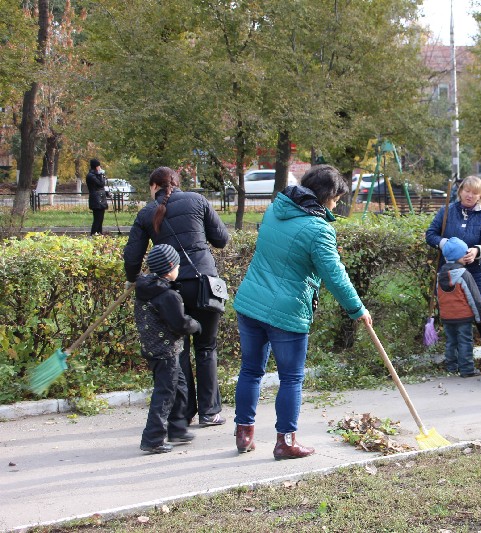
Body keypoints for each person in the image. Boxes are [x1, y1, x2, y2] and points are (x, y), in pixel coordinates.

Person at [232, 164, 372, 460]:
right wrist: (356, 308)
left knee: (251, 370)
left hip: (250, 303)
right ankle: (285, 442)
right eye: (336, 199)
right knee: (291, 378)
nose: (336, 205)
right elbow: (334, 274)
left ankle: (243, 434)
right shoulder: (318, 229)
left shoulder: (274, 209)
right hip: (287, 312)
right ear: (327, 195)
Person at [124, 166, 230, 428]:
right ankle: (209, 413)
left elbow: (132, 257)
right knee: (206, 348)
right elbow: (222, 239)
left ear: (154, 187)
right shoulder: (197, 200)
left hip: (170, 291)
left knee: (178, 352)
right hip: (205, 285)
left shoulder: (147, 213)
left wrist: (133, 278)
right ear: (177, 183)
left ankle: (183, 413)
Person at [134, 244, 202, 454]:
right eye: (178, 267)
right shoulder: (167, 295)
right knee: (165, 393)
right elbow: (179, 324)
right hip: (165, 351)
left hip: (154, 348)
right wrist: (195, 325)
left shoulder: (146, 288)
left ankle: (177, 428)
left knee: (180, 387)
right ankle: (153, 438)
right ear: (171, 267)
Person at [426, 175, 481, 354]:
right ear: (460, 191)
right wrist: (448, 247)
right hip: (451, 273)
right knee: (456, 316)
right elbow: (431, 235)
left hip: (477, 274)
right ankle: (457, 360)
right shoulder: (447, 211)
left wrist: (476, 252)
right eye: (467, 191)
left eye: (475, 193)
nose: (470, 195)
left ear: (480, 196)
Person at [437, 237, 481, 378]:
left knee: (451, 342)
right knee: (465, 341)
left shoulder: (439, 276)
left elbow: (438, 297)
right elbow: (473, 296)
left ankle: (451, 367)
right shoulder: (464, 274)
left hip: (447, 316)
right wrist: (479, 316)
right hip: (463, 316)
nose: (466, 255)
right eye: (464, 253)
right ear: (458, 256)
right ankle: (467, 369)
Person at [86, 158, 108, 235]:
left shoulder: (95, 175)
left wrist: (107, 193)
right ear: (96, 167)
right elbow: (101, 184)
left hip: (100, 199)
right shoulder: (91, 176)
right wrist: (102, 175)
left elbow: (100, 188)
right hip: (96, 200)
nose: (100, 168)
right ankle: (93, 234)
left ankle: (99, 233)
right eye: (99, 166)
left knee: (100, 219)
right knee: (97, 219)